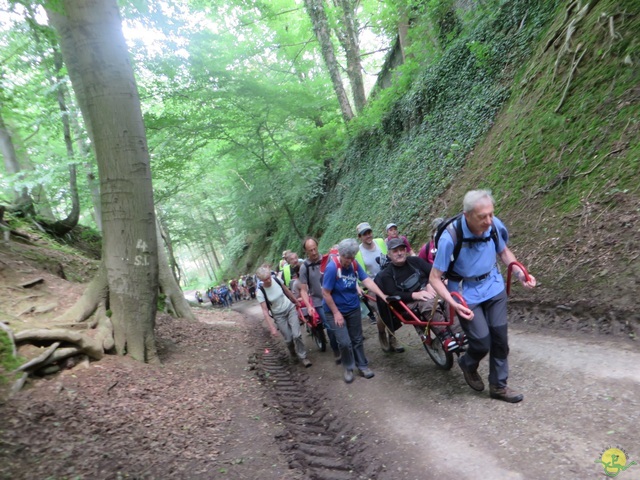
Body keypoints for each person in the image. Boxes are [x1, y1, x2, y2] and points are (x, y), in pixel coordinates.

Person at [429, 190, 536, 403]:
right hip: (465, 291)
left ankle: (498, 386)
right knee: (481, 342)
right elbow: (434, 277)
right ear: (467, 215)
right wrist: (451, 302)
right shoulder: (450, 238)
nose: (489, 220)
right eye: (482, 217)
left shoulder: (494, 225)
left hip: (493, 286)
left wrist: (520, 273)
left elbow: (504, 252)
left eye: (491, 214)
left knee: (500, 340)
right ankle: (468, 364)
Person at [322, 238, 388, 383]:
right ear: (340, 254)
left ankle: (362, 366)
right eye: (346, 258)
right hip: (334, 310)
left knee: (357, 338)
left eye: (351, 258)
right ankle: (348, 367)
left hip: (352, 307)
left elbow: (367, 281)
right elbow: (325, 293)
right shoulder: (332, 268)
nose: (349, 261)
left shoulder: (354, 265)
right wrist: (336, 313)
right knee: (345, 342)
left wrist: (382, 295)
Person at [375, 237, 441, 339]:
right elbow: (392, 292)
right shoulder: (387, 274)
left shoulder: (416, 261)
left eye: (402, 249)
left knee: (449, 296)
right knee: (428, 303)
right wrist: (415, 295)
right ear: (389, 254)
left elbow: (433, 272)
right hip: (408, 302)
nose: (400, 253)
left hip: (428, 291)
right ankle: (444, 334)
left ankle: (459, 332)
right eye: (395, 251)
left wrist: (429, 283)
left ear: (406, 251)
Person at [354, 222, 401, 352]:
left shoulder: (380, 242)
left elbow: (390, 258)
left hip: (388, 281)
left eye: (369, 232)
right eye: (364, 234)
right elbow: (360, 274)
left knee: (394, 309)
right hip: (372, 286)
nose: (368, 236)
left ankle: (392, 338)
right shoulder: (358, 252)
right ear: (360, 237)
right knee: (381, 312)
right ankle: (382, 334)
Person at [256, 266, 312, 368]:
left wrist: (295, 301)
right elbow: (265, 311)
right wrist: (272, 327)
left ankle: (303, 357)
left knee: (297, 335)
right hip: (278, 315)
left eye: (269, 277)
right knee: (288, 339)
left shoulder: (276, 280)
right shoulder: (260, 292)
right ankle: (293, 353)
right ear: (261, 280)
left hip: (290, 309)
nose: (269, 280)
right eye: (265, 279)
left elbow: (287, 291)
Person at [299, 236, 341, 364]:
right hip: (319, 301)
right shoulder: (304, 267)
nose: (313, 252)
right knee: (330, 326)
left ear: (317, 246)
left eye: (315, 249)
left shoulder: (328, 260)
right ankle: (336, 350)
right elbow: (303, 290)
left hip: (334, 296)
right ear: (306, 251)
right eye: (310, 250)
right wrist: (308, 305)